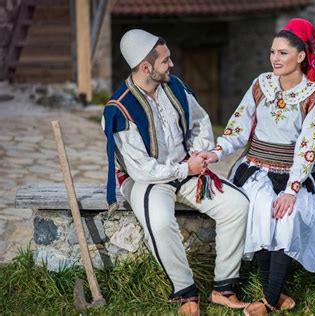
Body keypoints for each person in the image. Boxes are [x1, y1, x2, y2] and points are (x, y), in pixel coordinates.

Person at [200, 18, 315, 315]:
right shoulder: (260, 84)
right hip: (255, 168)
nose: (275, 59)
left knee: (287, 216)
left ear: (301, 56)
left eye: (283, 53)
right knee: (261, 208)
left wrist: (292, 190)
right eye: (272, 52)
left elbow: (307, 146)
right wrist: (215, 152)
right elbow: (238, 128)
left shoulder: (313, 94)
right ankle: (273, 297)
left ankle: (266, 301)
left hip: (294, 172)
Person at [102, 29, 250, 316]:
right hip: (145, 182)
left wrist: (199, 151)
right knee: (158, 221)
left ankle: (224, 288)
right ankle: (185, 292)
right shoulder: (118, 109)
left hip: (187, 171)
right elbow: (141, 168)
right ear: (146, 68)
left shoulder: (175, 87)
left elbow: (200, 121)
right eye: (165, 61)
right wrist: (186, 167)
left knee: (238, 205)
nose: (171, 65)